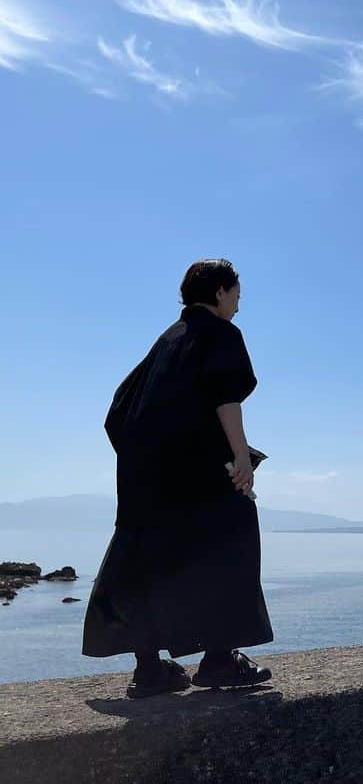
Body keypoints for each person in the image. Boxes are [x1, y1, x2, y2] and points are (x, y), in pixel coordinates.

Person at [82, 259, 274, 698]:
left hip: (145, 478)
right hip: (197, 472)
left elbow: (118, 412)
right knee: (231, 542)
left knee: (147, 562)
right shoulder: (220, 333)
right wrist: (240, 459)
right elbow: (227, 398)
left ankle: (150, 670)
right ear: (221, 292)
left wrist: (147, 462)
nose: (238, 307)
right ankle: (220, 660)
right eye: (237, 296)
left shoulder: (166, 341)